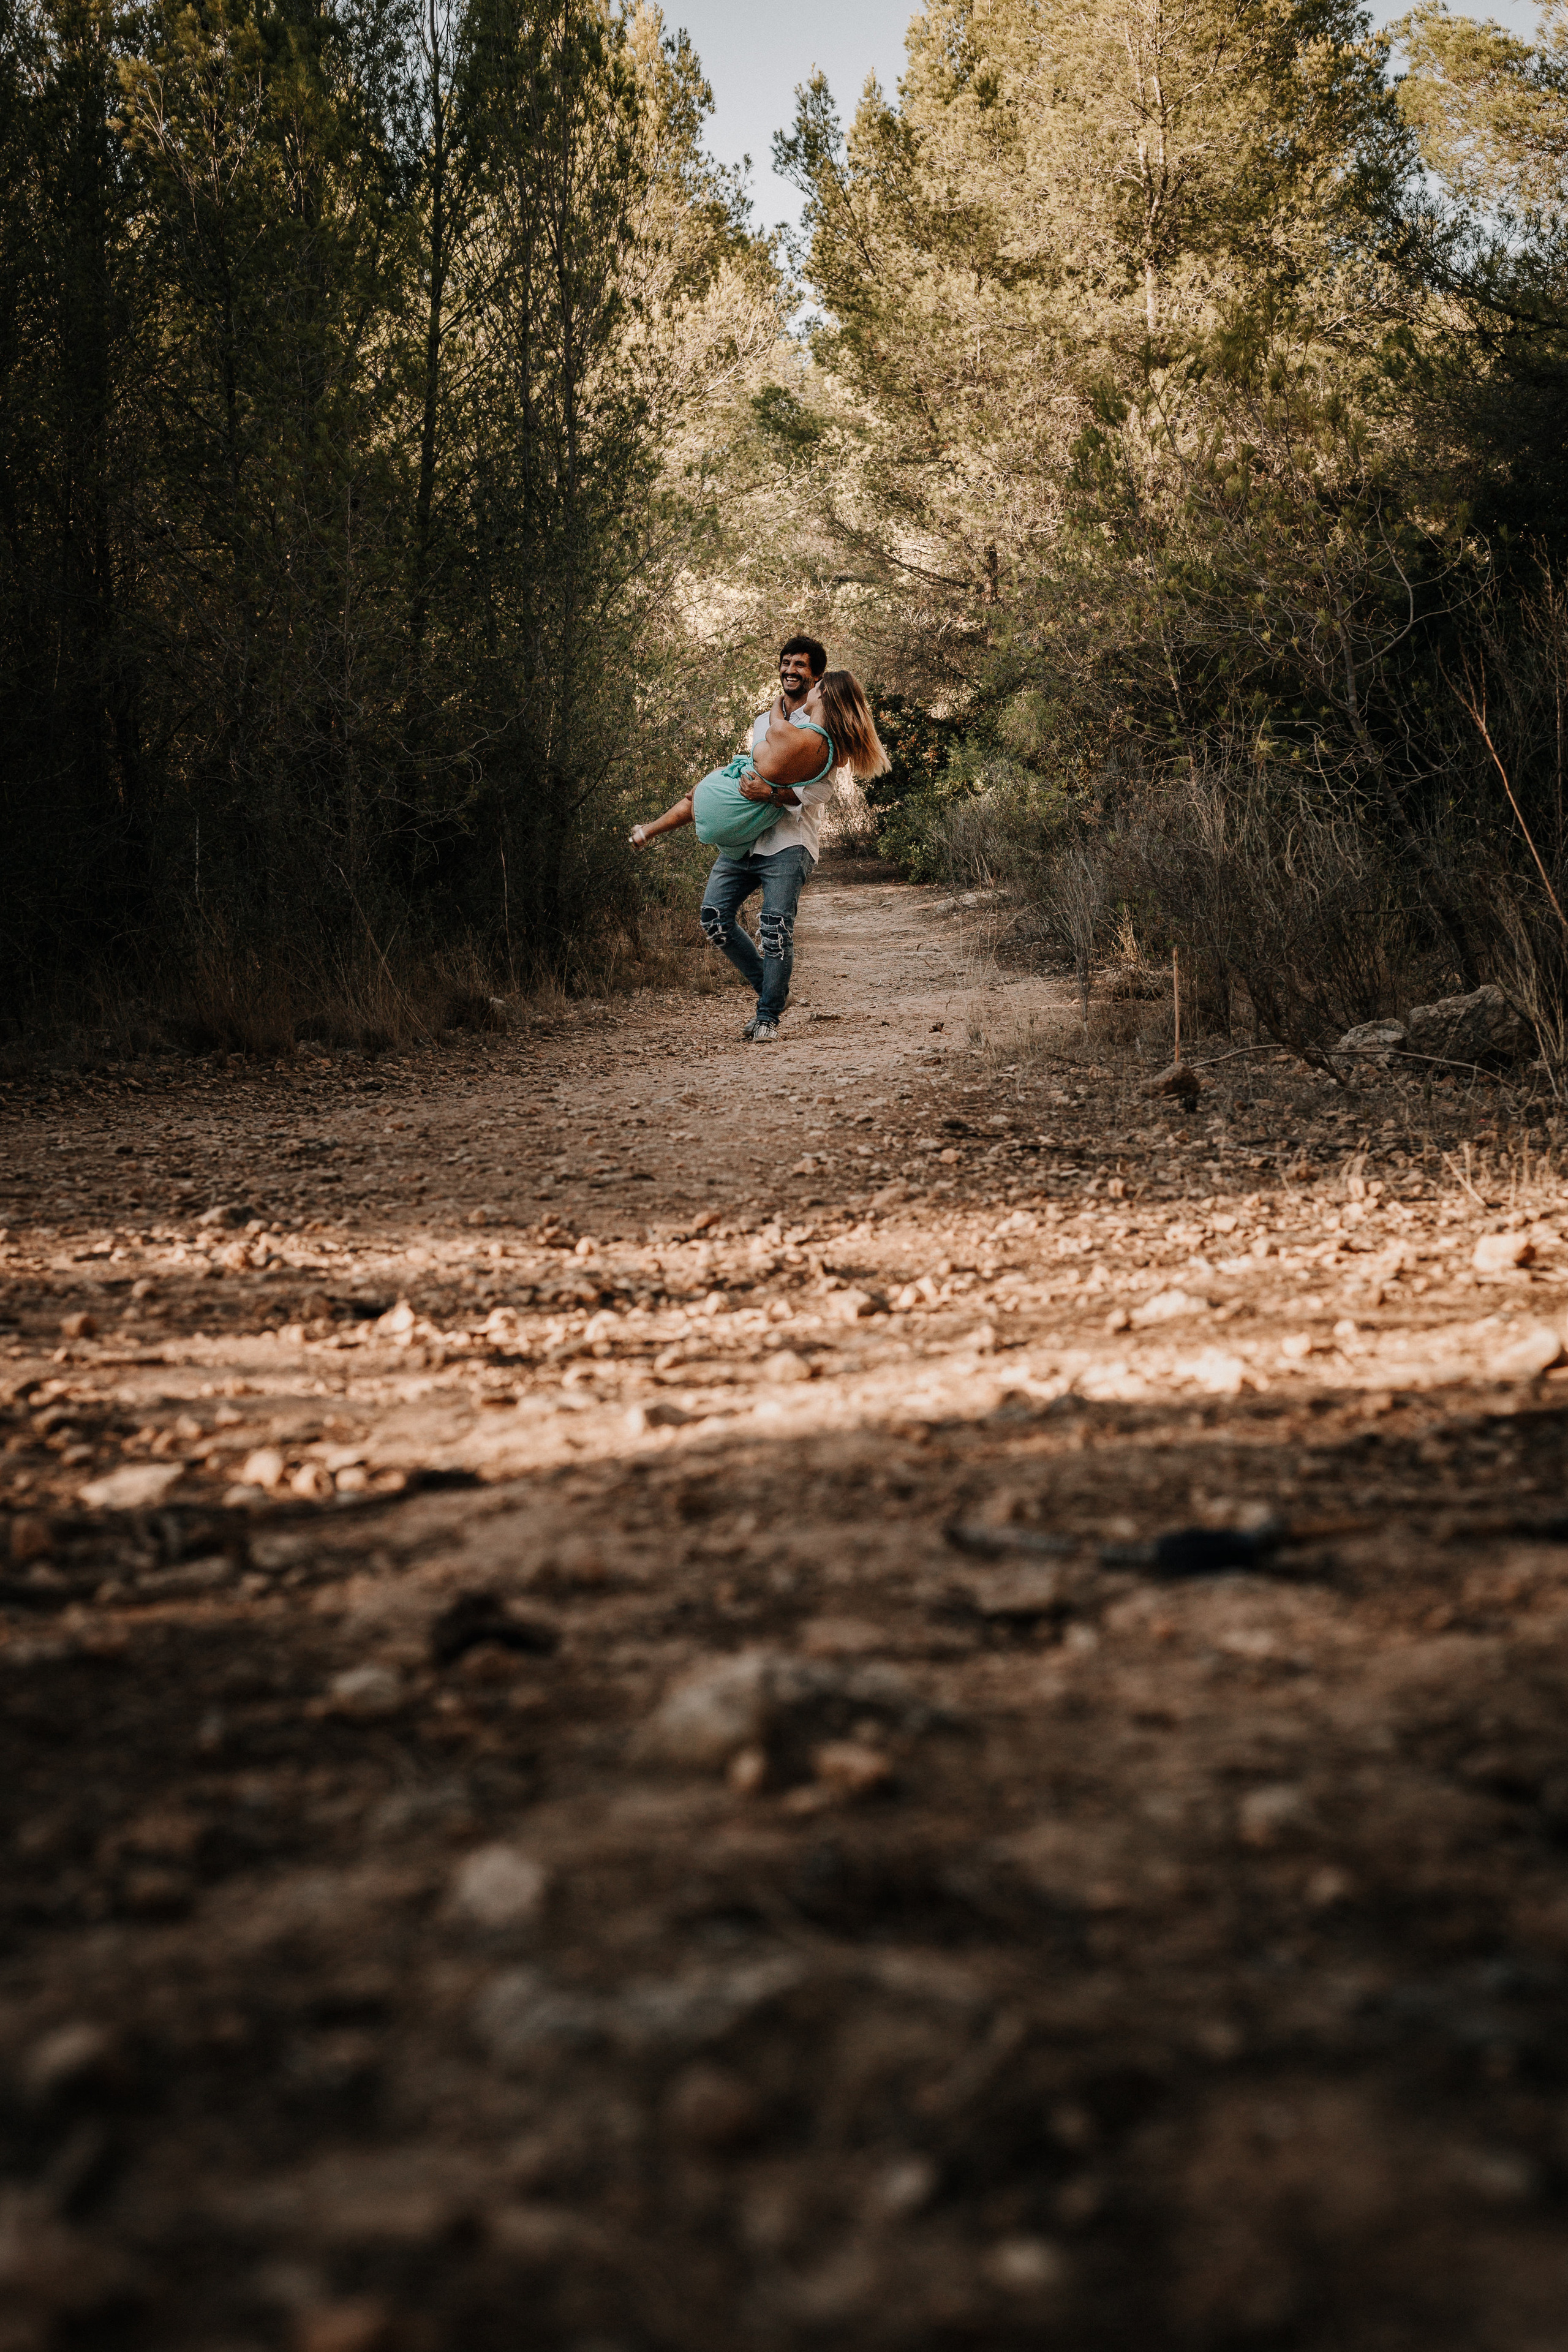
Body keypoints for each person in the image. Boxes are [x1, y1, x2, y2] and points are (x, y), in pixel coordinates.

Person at [631, 644, 890, 1041]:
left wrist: (770, 795)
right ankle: (772, 991)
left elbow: (819, 792)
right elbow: (759, 764)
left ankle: (767, 1016)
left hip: (789, 844)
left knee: (775, 929)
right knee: (714, 918)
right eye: (786, 663)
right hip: (746, 842)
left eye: (800, 665)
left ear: (815, 677)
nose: (790, 670)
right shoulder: (761, 720)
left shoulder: (824, 727)